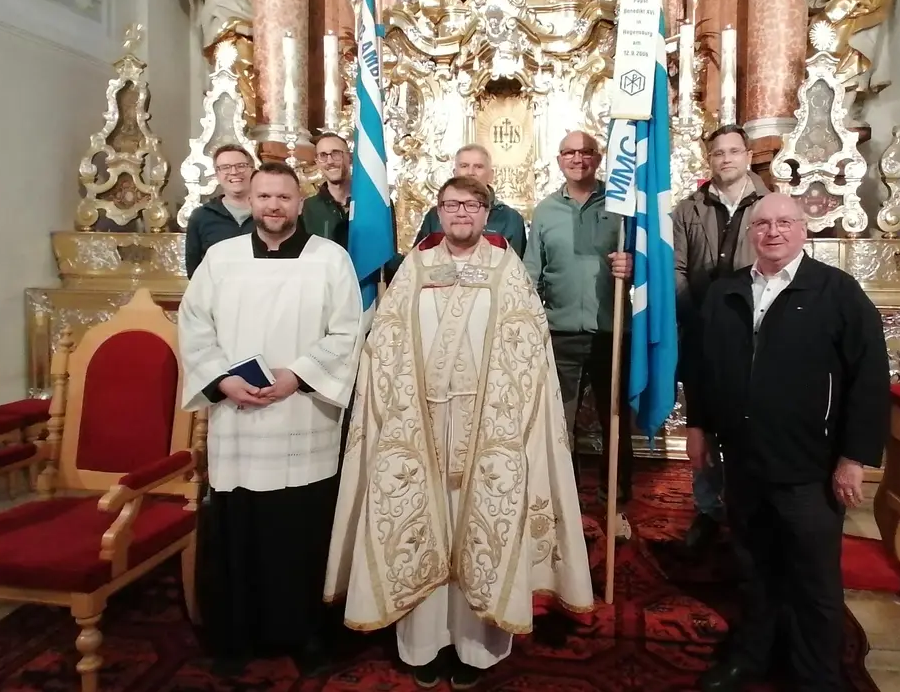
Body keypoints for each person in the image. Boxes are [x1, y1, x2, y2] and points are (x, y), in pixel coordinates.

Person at [325, 175, 593, 689]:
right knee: (421, 523)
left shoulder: (507, 269)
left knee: (481, 530)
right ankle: (423, 644)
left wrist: (502, 412)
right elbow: (386, 342)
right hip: (420, 425)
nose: (461, 214)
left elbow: (530, 348)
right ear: (439, 212)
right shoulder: (415, 267)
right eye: (451, 205)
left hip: (488, 426)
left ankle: (477, 648)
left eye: (471, 205)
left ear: (487, 213)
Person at [688, 192, 890, 692]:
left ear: (803, 230)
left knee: (813, 579)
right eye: (763, 224)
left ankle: (817, 676)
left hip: (809, 465)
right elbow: (703, 367)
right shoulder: (726, 292)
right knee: (753, 565)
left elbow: (869, 377)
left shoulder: (836, 292)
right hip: (744, 459)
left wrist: (854, 457)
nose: (773, 232)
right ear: (751, 233)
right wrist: (699, 427)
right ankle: (753, 656)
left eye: (784, 222)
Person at [179, 161, 366, 677]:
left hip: (302, 415)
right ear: (251, 200)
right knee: (238, 531)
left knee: (299, 532)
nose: (273, 206)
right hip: (238, 418)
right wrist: (221, 380)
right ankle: (236, 637)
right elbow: (194, 327)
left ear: (299, 203)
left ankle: (304, 634)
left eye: (284, 197)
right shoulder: (221, 259)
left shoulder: (331, 259)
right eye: (264, 196)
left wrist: (297, 375)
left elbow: (347, 332)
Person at [523, 131, 633, 524]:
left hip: (612, 332)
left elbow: (649, 266)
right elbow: (531, 274)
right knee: (558, 425)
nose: (577, 159)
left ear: (598, 158)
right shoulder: (545, 211)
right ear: (559, 160)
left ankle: (615, 504)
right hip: (560, 335)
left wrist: (633, 267)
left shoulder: (623, 207)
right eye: (569, 152)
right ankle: (564, 506)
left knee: (615, 423)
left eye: (586, 152)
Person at [672, 125, 767, 550]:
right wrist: (694, 315)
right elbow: (676, 268)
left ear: (747, 156)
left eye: (733, 151)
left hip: (753, 334)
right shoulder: (688, 209)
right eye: (718, 153)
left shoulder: (769, 204)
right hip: (701, 331)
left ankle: (750, 507)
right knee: (703, 423)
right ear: (709, 159)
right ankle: (708, 508)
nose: (725, 159)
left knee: (749, 421)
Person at [412, 144, 527, 256]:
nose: (470, 172)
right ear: (454, 173)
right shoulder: (435, 216)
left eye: (478, 166)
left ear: (491, 175)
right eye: (464, 166)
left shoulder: (510, 219)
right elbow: (418, 261)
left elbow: (514, 266)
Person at [184, 143, 255, 276]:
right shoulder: (201, 216)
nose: (234, 172)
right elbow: (194, 271)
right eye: (225, 167)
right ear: (217, 174)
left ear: (252, 170)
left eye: (241, 166)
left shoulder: (268, 213)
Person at [300, 131, 351, 248]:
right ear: (317, 162)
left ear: (350, 157)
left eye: (336, 153)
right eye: (323, 155)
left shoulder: (374, 204)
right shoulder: (307, 209)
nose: (330, 161)